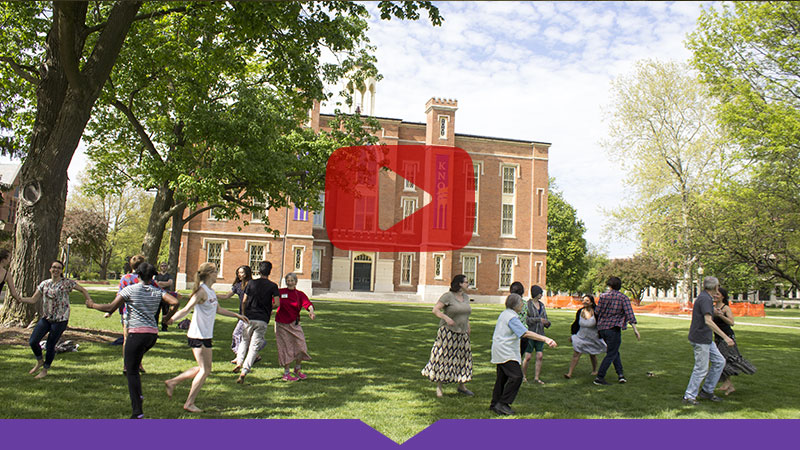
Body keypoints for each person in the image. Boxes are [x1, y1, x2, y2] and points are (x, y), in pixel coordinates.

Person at [86, 263, 179, 419]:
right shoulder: (157, 291)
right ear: (152, 276)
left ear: (138, 275)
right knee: (135, 366)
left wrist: (92, 305)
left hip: (136, 334)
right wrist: (166, 319)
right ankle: (138, 396)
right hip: (151, 336)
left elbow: (110, 308)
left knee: (131, 371)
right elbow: (175, 302)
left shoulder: (130, 289)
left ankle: (137, 411)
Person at [164, 262, 248, 412]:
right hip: (197, 334)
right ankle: (189, 403)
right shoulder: (201, 292)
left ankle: (172, 382)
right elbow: (186, 309)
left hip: (206, 335)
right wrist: (172, 319)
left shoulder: (210, 291)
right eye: (216, 271)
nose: (217, 274)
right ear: (209, 274)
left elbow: (219, 309)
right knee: (204, 370)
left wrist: (237, 315)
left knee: (205, 368)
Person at [18, 260, 93, 379]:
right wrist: (20, 299)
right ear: (50, 269)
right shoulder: (44, 284)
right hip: (46, 318)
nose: (56, 270)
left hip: (60, 320)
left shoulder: (67, 283)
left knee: (50, 345)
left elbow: (83, 290)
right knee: (33, 341)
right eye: (54, 267)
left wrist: (89, 300)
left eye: (59, 268)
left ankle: (45, 370)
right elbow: (33, 299)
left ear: (61, 270)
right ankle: (39, 361)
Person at [490, 293, 557, 415]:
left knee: (502, 378)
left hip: (500, 349)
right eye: (521, 303)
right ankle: (503, 404)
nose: (522, 305)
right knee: (517, 376)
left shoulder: (506, 314)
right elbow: (525, 333)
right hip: (506, 351)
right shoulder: (512, 318)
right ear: (516, 305)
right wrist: (546, 339)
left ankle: (495, 403)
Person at [683, 276, 735, 405]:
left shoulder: (704, 297)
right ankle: (689, 396)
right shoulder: (705, 299)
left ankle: (707, 391)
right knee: (701, 369)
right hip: (700, 339)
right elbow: (708, 321)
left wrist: (714, 312)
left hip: (705, 339)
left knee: (719, 362)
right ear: (716, 287)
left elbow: (705, 313)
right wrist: (726, 337)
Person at [421, 274, 474, 398]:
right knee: (444, 358)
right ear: (459, 283)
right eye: (466, 282)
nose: (468, 284)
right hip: (448, 332)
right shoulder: (448, 296)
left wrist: (468, 327)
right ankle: (439, 387)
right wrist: (446, 318)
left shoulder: (466, 297)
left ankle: (462, 385)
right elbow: (435, 310)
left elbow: (466, 314)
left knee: (463, 358)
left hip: (462, 332)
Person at [233, 261, 280, 383]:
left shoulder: (251, 283)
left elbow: (244, 300)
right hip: (262, 319)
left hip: (249, 317)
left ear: (258, 271)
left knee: (244, 340)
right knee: (254, 346)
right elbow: (277, 303)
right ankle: (244, 371)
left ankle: (239, 361)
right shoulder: (273, 286)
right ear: (270, 271)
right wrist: (269, 308)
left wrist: (243, 314)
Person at [593, 276, 640, 385]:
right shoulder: (623, 298)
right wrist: (635, 329)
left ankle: (620, 375)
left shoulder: (603, 296)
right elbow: (629, 314)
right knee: (611, 353)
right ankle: (600, 377)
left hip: (602, 328)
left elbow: (597, 312)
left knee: (614, 351)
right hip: (613, 329)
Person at [713, 286, 755, 396]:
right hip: (717, 337)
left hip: (727, 336)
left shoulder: (725, 308)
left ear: (722, 296)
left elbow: (731, 322)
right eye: (714, 294)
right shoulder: (712, 307)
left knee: (724, 359)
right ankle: (729, 385)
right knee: (720, 359)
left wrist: (721, 315)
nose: (715, 296)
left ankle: (731, 380)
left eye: (717, 294)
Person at [275, 272, 315, 381]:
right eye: (288, 280)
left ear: (296, 282)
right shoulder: (280, 292)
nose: (289, 282)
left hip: (295, 324)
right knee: (286, 348)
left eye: (292, 280)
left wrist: (311, 311)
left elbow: (308, 304)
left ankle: (297, 369)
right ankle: (286, 373)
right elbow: (273, 303)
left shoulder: (300, 294)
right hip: (281, 324)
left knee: (301, 346)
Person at [218, 265, 258, 361]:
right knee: (246, 336)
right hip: (242, 314)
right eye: (238, 272)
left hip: (250, 314)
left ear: (247, 273)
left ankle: (239, 355)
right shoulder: (237, 286)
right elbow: (226, 296)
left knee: (237, 334)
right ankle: (255, 356)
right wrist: (213, 295)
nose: (240, 274)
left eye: (242, 272)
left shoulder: (253, 285)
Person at [564, 294, 606, 379]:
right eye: (584, 300)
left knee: (592, 354)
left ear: (591, 302)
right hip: (581, 336)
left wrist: (603, 335)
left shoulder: (596, 312)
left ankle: (595, 370)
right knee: (576, 353)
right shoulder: (580, 312)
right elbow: (575, 324)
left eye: (587, 300)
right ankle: (569, 373)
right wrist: (572, 335)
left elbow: (601, 325)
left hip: (593, 337)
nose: (585, 302)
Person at [522, 285, 550, 384]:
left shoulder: (542, 305)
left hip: (540, 334)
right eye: (540, 293)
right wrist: (538, 319)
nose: (541, 295)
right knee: (528, 356)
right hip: (530, 333)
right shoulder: (527, 304)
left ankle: (537, 378)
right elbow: (526, 320)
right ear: (536, 293)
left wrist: (547, 323)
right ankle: (523, 376)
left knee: (540, 355)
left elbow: (545, 317)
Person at [154, 262, 180, 331]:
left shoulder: (169, 275)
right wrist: (164, 284)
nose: (164, 267)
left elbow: (170, 283)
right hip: (158, 295)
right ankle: (155, 326)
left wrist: (160, 283)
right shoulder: (157, 275)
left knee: (165, 312)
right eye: (162, 266)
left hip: (166, 296)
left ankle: (164, 327)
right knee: (157, 312)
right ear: (160, 267)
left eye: (165, 266)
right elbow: (156, 284)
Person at [509, 282, 527, 359]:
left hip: (514, 333)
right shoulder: (525, 303)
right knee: (519, 356)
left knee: (513, 357)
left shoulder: (511, 303)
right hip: (524, 332)